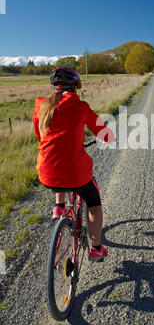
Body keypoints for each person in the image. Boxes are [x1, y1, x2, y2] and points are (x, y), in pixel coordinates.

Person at [32, 67, 114, 261]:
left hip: (46, 172)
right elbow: (106, 135)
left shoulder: (41, 107)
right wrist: (108, 138)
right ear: (75, 88)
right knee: (93, 201)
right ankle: (96, 248)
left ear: (53, 87)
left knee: (58, 163)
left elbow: (40, 136)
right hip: (76, 174)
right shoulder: (81, 107)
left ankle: (58, 207)